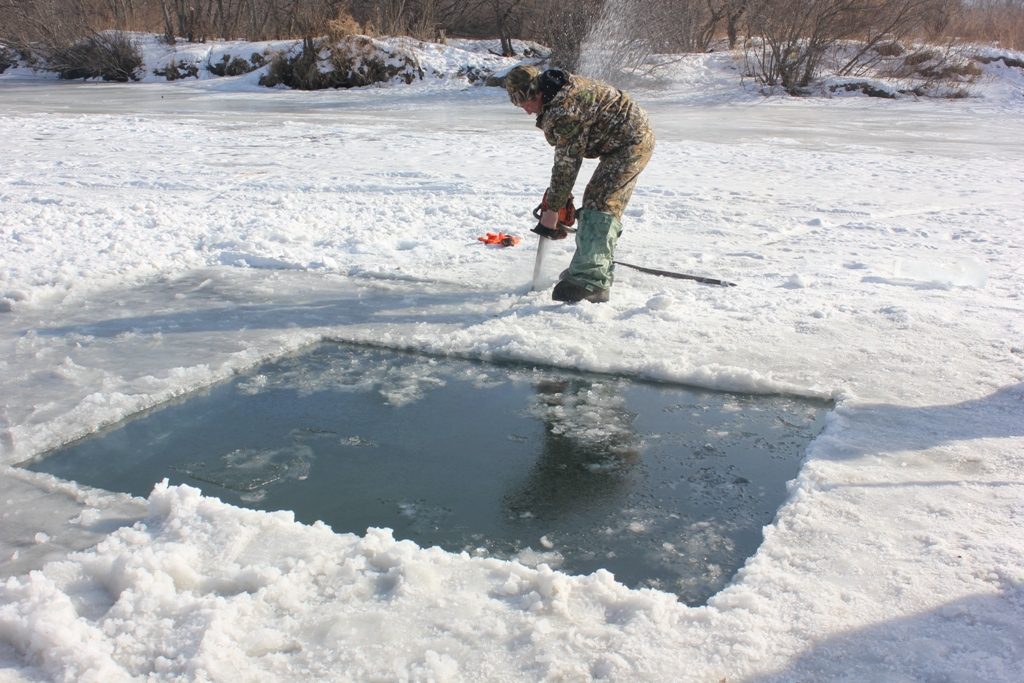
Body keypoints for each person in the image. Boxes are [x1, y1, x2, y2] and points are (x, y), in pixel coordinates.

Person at [505, 65, 655, 303]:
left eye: (527, 105)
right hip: (616, 141)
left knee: (601, 202)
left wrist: (553, 210)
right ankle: (589, 265)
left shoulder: (565, 108)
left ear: (538, 93)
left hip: (631, 142)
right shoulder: (555, 95)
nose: (527, 112)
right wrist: (557, 201)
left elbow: (567, 163)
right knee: (596, 198)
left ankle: (591, 280)